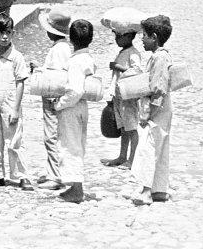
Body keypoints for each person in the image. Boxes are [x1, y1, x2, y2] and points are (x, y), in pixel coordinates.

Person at [0, 12, 32, 192]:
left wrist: (16, 108)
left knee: (15, 140)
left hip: (10, 103)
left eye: (8, 32)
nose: (4, 37)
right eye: (0, 33)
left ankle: (21, 175)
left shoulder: (16, 57)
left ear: (13, 33)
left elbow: (20, 82)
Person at [130, 15, 173, 206]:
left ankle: (147, 190)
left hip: (157, 107)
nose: (142, 39)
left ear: (154, 37)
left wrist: (148, 114)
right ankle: (159, 189)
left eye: (145, 36)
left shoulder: (159, 58)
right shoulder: (160, 56)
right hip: (162, 106)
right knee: (160, 148)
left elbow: (158, 88)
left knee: (149, 148)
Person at [54, 18, 95, 203]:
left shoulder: (75, 62)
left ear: (71, 38)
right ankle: (75, 185)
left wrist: (59, 104)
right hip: (82, 107)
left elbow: (75, 90)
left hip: (72, 106)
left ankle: (76, 189)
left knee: (70, 146)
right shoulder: (88, 58)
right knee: (77, 145)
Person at [35, 5, 73, 191]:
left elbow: (57, 77)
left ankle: (55, 176)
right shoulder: (62, 47)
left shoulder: (59, 50)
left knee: (51, 136)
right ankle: (53, 171)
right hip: (54, 99)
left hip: (53, 100)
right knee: (53, 136)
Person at [102, 28, 142, 168]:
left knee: (131, 127)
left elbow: (137, 71)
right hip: (119, 94)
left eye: (119, 36)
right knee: (124, 127)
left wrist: (118, 67)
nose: (116, 39)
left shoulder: (133, 53)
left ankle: (132, 159)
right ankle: (122, 156)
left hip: (128, 95)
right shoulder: (123, 52)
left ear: (128, 36)